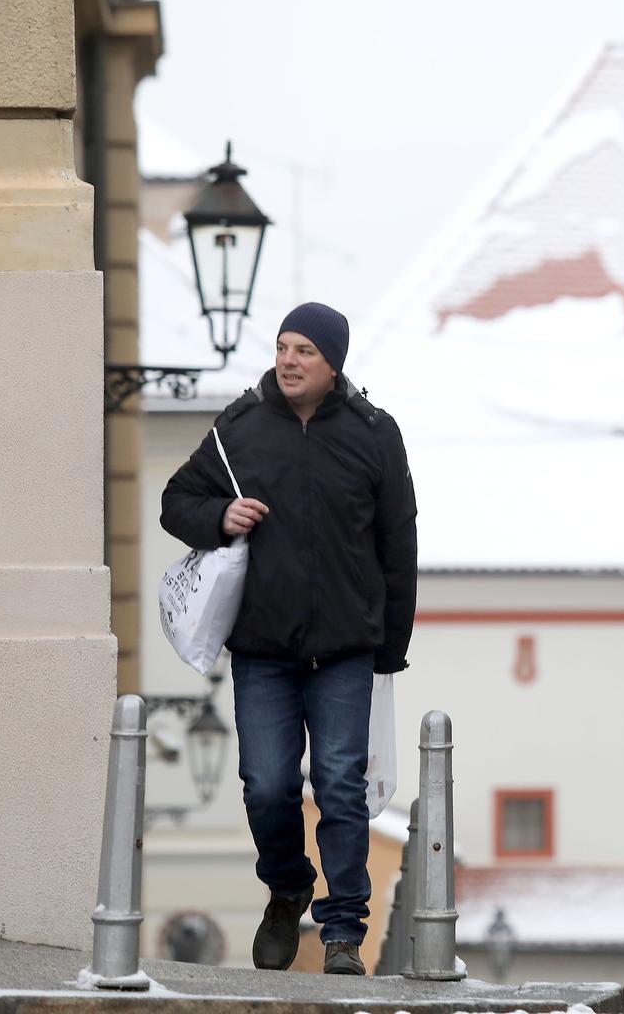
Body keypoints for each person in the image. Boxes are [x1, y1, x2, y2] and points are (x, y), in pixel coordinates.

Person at [160, 302, 418, 977]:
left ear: (334, 361)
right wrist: (220, 515)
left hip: (343, 651)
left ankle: (340, 932)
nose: (289, 359)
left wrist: (390, 647)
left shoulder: (374, 433)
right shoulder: (240, 428)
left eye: (304, 349)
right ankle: (286, 885)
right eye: (282, 346)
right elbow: (173, 503)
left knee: (339, 786)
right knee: (266, 785)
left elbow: (399, 543)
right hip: (264, 649)